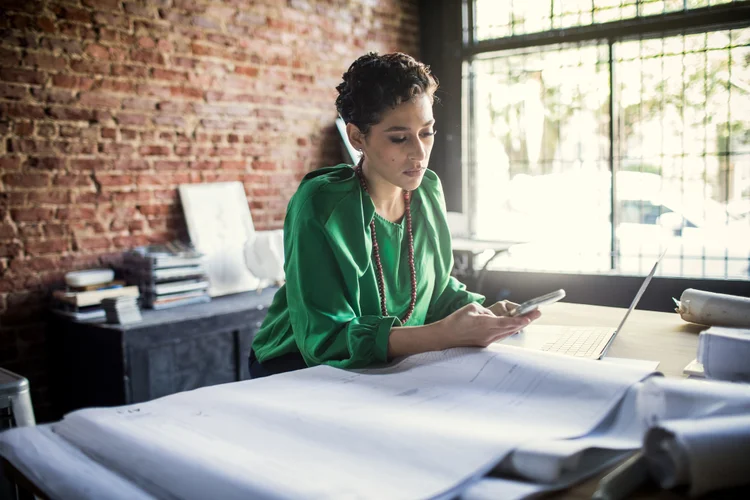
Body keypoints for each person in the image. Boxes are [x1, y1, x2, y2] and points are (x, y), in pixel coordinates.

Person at [249, 52, 541, 378]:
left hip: (389, 365)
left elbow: (436, 289)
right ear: (357, 137)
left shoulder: (426, 190)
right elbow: (325, 339)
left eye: (426, 132)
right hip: (297, 366)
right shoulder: (321, 205)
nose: (419, 153)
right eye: (399, 138)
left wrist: (485, 313)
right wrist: (444, 334)